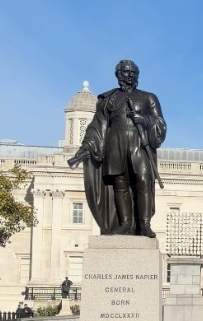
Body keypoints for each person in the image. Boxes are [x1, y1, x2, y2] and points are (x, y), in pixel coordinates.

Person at [67, 60, 167, 237]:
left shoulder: (149, 97)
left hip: (139, 145)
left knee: (143, 181)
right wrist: (87, 146)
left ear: (137, 75)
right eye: (125, 72)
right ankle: (125, 223)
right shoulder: (108, 99)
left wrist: (144, 120)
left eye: (132, 72)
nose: (129, 75)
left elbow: (160, 124)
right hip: (115, 145)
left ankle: (144, 224)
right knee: (120, 184)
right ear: (118, 75)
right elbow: (98, 126)